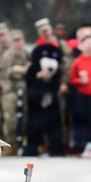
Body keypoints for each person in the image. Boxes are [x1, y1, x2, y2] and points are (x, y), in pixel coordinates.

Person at [25, 18, 65, 157]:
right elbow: (29, 69)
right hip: (37, 91)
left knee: (55, 121)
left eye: (47, 30)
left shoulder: (60, 46)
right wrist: (36, 75)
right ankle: (34, 146)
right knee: (35, 121)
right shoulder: (35, 48)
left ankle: (55, 148)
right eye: (42, 31)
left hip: (54, 90)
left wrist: (64, 82)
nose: (45, 33)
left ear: (51, 30)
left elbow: (66, 66)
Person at [0, 29, 29, 146]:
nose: (17, 43)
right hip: (10, 90)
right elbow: (6, 73)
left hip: (26, 89)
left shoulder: (27, 54)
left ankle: (25, 141)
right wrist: (17, 70)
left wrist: (22, 69)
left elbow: (30, 70)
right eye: (15, 40)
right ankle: (11, 143)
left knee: (26, 116)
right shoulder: (7, 55)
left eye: (19, 40)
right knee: (10, 118)